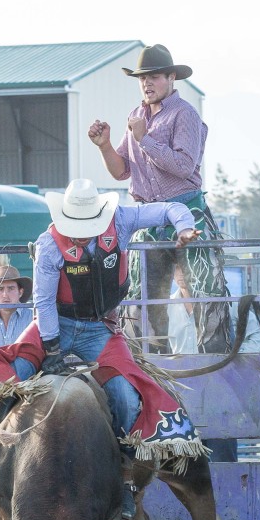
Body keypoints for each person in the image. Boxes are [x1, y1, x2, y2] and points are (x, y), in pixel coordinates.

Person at [0, 178, 208, 519]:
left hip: (100, 329)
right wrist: (52, 348)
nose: (82, 235)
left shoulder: (122, 220)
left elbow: (170, 208)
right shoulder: (49, 244)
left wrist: (184, 226)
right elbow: (44, 301)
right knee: (12, 373)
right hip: (55, 323)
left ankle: (125, 477)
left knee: (126, 396)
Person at [87, 44, 233, 355]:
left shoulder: (185, 114)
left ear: (171, 78)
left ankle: (216, 360)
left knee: (205, 289)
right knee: (142, 296)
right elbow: (121, 170)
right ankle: (147, 362)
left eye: (154, 77)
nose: (147, 83)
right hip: (149, 216)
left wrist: (144, 138)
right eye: (142, 78)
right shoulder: (136, 116)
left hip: (187, 212)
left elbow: (183, 166)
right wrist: (104, 146)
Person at [0, 262, 33, 349]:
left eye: (11, 288)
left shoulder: (32, 318)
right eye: (0, 289)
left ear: (20, 292)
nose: (5, 295)